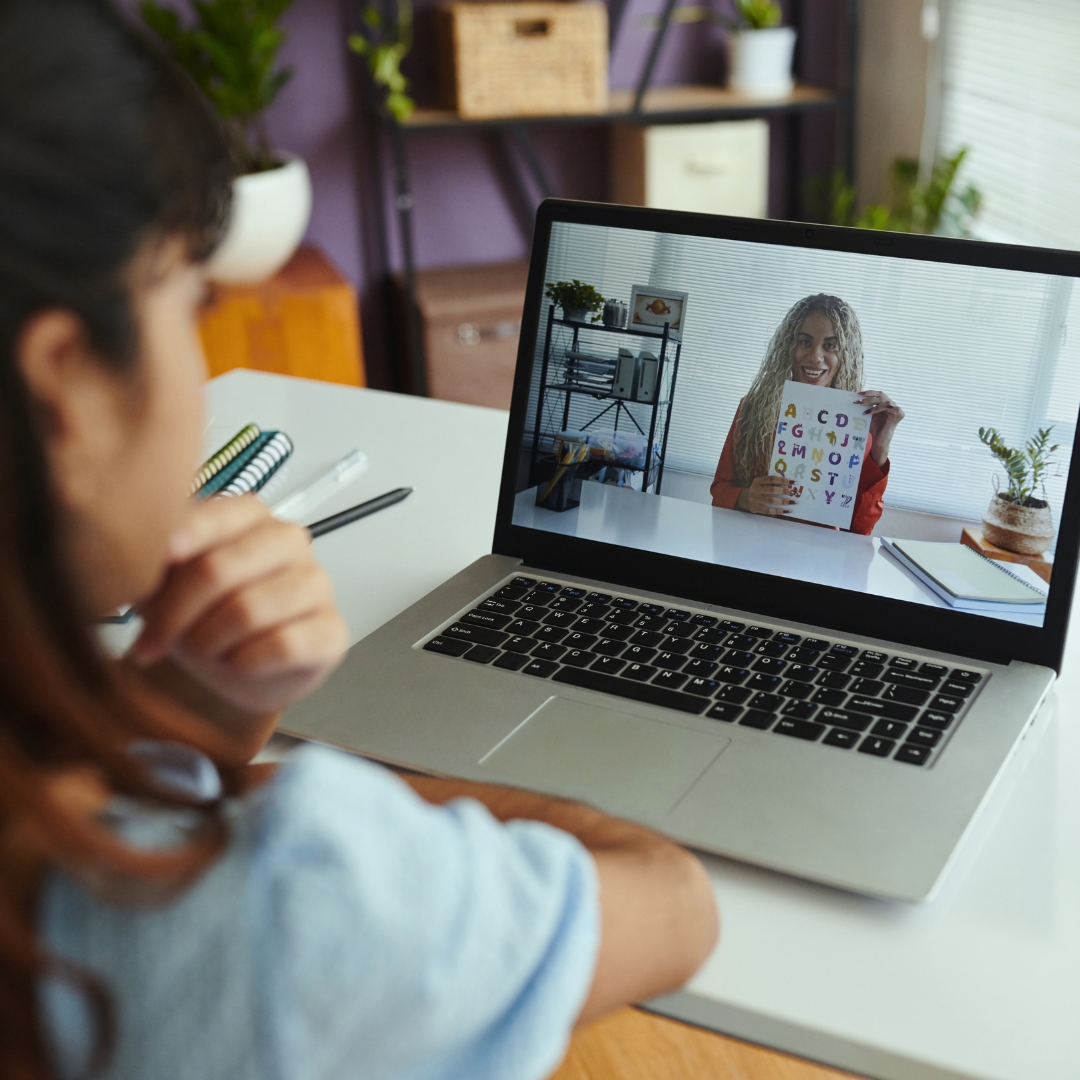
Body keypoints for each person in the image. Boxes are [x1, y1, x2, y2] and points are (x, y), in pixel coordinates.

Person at [0, 3, 718, 1078]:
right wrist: (316, 808)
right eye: (190, 308)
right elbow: (675, 898)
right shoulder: (284, 908)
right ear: (67, 395)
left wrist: (209, 719)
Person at [710, 294, 904, 535]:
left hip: (817, 557)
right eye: (804, 341)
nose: (815, 357)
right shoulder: (752, 407)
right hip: (750, 545)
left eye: (830, 345)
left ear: (846, 354)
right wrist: (746, 497)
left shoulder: (855, 423)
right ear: (788, 347)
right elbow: (720, 491)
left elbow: (860, 527)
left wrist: (880, 447)